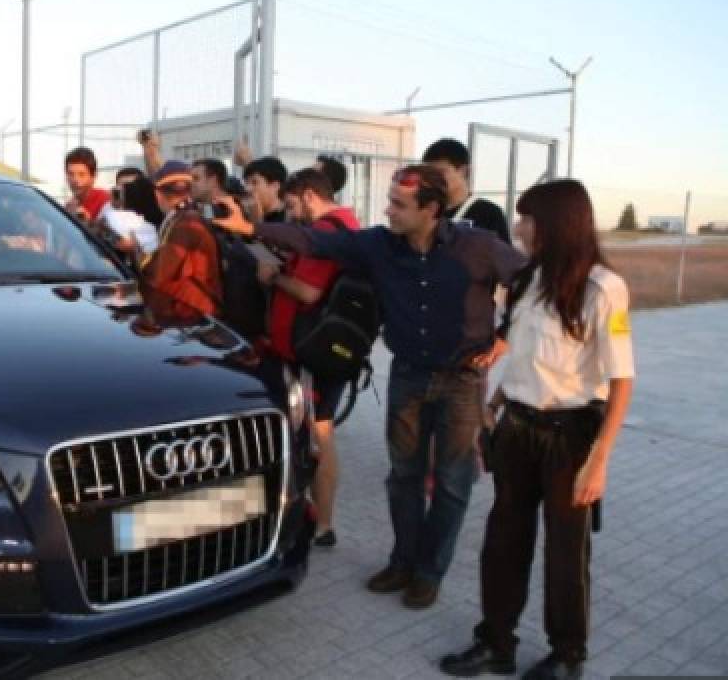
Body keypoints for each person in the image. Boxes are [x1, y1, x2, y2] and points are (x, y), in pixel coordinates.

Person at [213, 164, 525, 609]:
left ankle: (429, 572)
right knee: (403, 477)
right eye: (389, 200)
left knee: (453, 484)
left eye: (398, 204)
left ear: (431, 209)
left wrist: (506, 335)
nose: (387, 210)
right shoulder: (378, 245)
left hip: (462, 381)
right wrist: (250, 228)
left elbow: (531, 281)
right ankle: (402, 562)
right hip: (407, 376)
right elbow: (316, 240)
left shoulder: (476, 246)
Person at [440, 179, 634, 680]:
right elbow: (524, 354)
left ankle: (568, 654)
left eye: (527, 219)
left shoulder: (603, 288)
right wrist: (496, 403)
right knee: (503, 542)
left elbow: (621, 381)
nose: (520, 227)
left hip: (571, 438)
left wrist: (600, 460)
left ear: (555, 225)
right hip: (517, 430)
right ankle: (496, 644)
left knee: (566, 554)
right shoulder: (528, 280)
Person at [261, 168, 360, 549]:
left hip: (316, 356)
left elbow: (308, 292)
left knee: (319, 435)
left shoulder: (328, 232)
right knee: (318, 431)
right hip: (324, 350)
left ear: (307, 195)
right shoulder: (346, 225)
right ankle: (319, 517)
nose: (291, 215)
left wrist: (274, 277)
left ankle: (323, 525)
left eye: (291, 205)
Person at [139, 160, 220, 325]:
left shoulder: (185, 223)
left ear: (158, 194)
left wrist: (134, 250)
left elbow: (159, 274)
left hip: (191, 313)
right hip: (191, 310)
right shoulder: (186, 216)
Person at [423, 138, 510, 242]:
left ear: (464, 171)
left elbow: (503, 256)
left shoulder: (489, 214)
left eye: (441, 172)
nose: (434, 178)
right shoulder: (424, 211)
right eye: (429, 173)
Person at [64, 147, 110, 224]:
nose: (75, 180)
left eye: (81, 174)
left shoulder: (105, 201)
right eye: (71, 174)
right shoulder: (69, 206)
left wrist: (88, 221)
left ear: (94, 176)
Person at [243, 156, 289, 223]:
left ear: (275, 186)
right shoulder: (245, 215)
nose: (247, 189)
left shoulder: (289, 219)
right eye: (246, 183)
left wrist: (257, 222)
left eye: (254, 183)